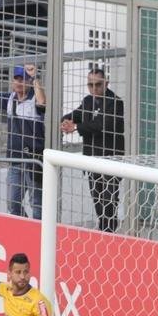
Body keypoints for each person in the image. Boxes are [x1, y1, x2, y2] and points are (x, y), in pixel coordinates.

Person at [0, 57, 46, 219]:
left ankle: (37, 235)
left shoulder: (34, 100)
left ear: (29, 82)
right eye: (16, 79)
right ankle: (25, 228)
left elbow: (42, 102)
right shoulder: (9, 99)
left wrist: (35, 77)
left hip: (33, 161)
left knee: (37, 203)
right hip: (15, 160)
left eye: (23, 79)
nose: (19, 82)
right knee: (12, 203)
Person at [60, 68, 125, 232]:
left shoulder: (115, 102)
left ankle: (109, 232)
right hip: (91, 158)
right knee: (97, 199)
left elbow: (101, 125)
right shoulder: (88, 101)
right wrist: (67, 120)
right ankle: (103, 231)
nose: (94, 89)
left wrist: (76, 126)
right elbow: (77, 113)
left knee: (109, 200)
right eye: (91, 85)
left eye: (98, 85)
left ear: (106, 84)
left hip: (110, 159)